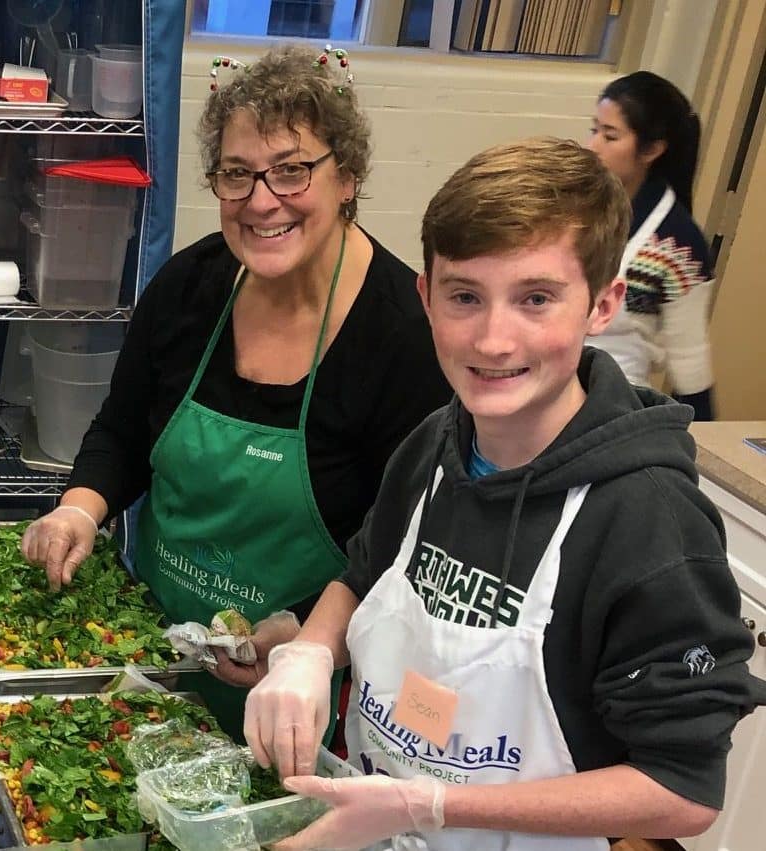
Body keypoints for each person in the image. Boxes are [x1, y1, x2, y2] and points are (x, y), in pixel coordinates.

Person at [242, 137, 766, 851]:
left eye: (536, 298)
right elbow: (365, 574)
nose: (492, 339)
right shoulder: (434, 443)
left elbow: (681, 791)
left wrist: (432, 802)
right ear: (425, 296)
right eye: (464, 296)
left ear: (603, 303)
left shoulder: (647, 520)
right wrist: (308, 652)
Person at [19, 44, 452, 738]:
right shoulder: (187, 290)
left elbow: (405, 544)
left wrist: (307, 635)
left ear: (348, 177)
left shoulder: (404, 335)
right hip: (152, 662)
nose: (262, 200)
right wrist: (79, 509)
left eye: (292, 170)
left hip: (306, 694)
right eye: (237, 174)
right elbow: (124, 430)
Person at [585, 71, 717, 420]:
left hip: (612, 412)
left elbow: (690, 363)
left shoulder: (677, 246)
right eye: (594, 130)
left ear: (652, 149)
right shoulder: (576, 208)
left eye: (610, 136)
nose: (593, 146)